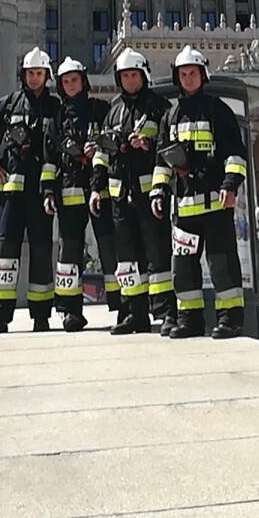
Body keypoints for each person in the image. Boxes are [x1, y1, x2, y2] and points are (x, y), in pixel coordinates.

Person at [150, 45, 248, 340]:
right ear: (177, 77)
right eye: (183, 74)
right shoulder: (170, 116)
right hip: (183, 208)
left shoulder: (219, 111)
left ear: (203, 75)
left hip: (215, 205)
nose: (188, 78)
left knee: (222, 264)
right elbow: (161, 159)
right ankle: (189, 320)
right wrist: (158, 190)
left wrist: (230, 185)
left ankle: (230, 320)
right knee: (183, 269)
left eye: (193, 73)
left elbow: (235, 154)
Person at [0, 46, 59, 336]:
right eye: (30, 73)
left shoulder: (55, 108)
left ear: (47, 75)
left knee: (42, 253)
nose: (34, 78)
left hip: (41, 196)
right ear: (23, 75)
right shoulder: (7, 105)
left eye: (39, 73)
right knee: (5, 255)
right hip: (10, 196)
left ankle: (41, 317)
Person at [91, 47, 176, 336]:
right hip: (119, 197)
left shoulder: (159, 107)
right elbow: (102, 154)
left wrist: (148, 146)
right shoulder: (112, 110)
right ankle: (133, 314)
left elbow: (169, 149)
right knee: (126, 258)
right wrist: (96, 188)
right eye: (124, 76)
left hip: (150, 196)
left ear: (144, 75)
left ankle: (166, 314)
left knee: (157, 255)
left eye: (133, 75)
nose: (129, 81)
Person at [41, 57, 119, 332]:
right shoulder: (56, 120)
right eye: (65, 82)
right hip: (68, 196)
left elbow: (114, 142)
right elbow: (49, 162)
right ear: (61, 86)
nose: (71, 85)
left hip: (100, 192)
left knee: (111, 249)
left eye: (75, 80)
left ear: (83, 81)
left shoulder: (101, 109)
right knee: (68, 254)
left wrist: (97, 146)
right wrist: (48, 192)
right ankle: (70, 311)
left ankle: (123, 307)